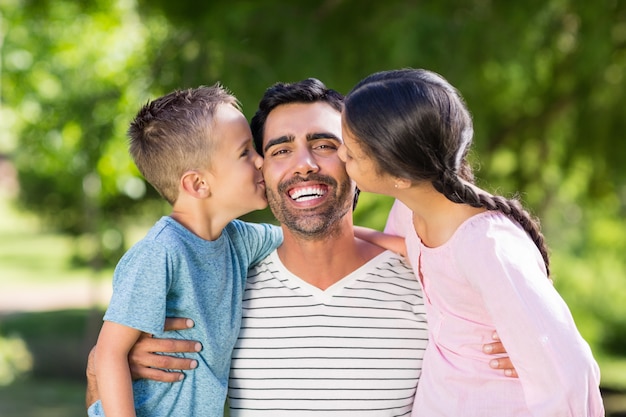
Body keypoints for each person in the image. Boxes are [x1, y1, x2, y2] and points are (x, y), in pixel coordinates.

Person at [86, 78, 517, 416]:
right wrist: (115, 364)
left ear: (360, 160)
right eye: (275, 150)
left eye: (325, 145)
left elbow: (505, 366)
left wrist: (516, 350)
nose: (303, 163)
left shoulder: (430, 279)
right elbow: (108, 360)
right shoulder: (208, 270)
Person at [338, 68, 605, 416]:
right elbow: (415, 251)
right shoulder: (412, 208)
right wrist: (336, 233)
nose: (341, 158)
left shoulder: (487, 246)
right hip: (442, 398)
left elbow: (569, 370)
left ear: (401, 176)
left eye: (352, 154)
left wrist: (535, 350)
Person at [88, 85, 283, 417]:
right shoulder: (160, 252)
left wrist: (396, 242)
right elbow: (109, 354)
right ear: (198, 184)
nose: (261, 160)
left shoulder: (237, 239)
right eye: (244, 152)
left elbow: (311, 235)